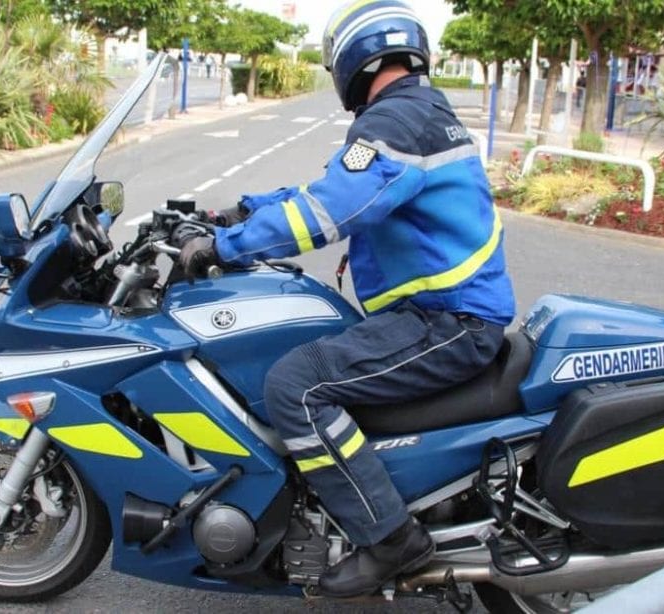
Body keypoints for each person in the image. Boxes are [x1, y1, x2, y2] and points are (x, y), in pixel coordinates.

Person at [170, 0, 515, 598]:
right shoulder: (413, 113)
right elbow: (329, 188)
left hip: (448, 321)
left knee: (295, 386)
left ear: (354, 58)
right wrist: (238, 211)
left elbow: (334, 209)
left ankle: (390, 539)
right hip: (443, 314)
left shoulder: (397, 121)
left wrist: (223, 247)